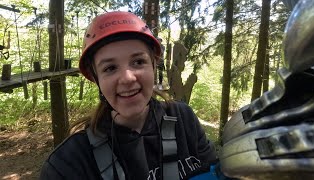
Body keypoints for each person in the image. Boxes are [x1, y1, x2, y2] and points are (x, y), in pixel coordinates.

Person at [40, 11, 218, 180]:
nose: (127, 78)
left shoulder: (183, 120)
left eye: (138, 62)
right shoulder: (70, 163)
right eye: (110, 68)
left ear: (154, 66)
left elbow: (213, 171)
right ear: (96, 79)